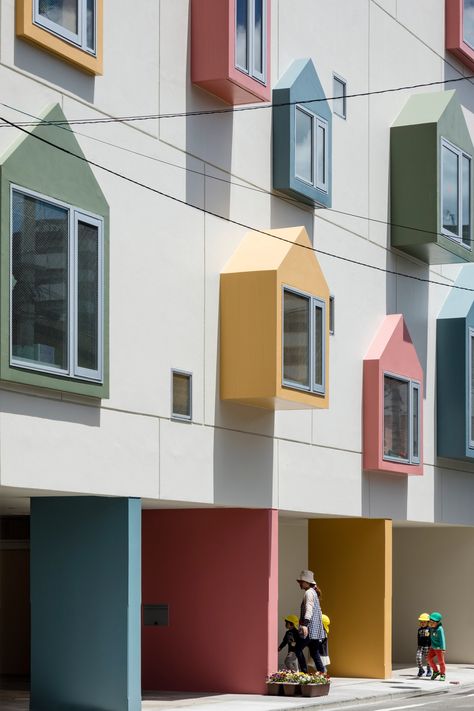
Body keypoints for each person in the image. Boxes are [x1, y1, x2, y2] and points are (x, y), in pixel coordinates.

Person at [297, 569, 326, 673]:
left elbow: (309, 608)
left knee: (297, 649)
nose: (300, 583)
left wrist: (305, 625)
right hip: (316, 630)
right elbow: (319, 611)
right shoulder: (313, 592)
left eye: (301, 582)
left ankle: (304, 673)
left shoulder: (309, 593)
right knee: (314, 652)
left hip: (309, 628)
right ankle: (323, 674)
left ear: (306, 582)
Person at [428, 612, 446, 681]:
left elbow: (442, 639)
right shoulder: (431, 628)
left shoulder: (439, 629)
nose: (431, 623)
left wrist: (443, 648)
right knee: (429, 659)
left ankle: (442, 674)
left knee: (441, 662)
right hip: (433, 647)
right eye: (430, 621)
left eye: (433, 622)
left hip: (439, 648)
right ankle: (435, 671)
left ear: (438, 622)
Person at [416, 613, 431, 677]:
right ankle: (421, 669)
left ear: (428, 622)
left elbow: (431, 638)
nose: (422, 623)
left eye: (424, 622)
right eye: (421, 622)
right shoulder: (419, 630)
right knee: (418, 657)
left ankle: (429, 670)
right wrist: (418, 645)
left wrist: (431, 646)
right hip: (420, 646)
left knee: (428, 659)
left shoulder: (430, 629)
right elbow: (418, 638)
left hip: (427, 646)